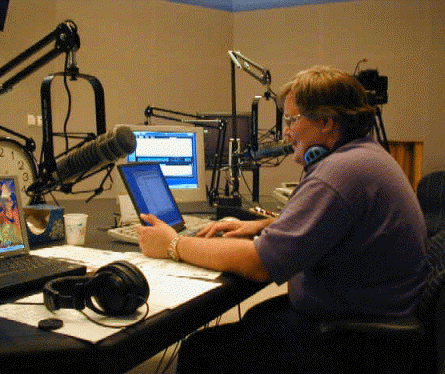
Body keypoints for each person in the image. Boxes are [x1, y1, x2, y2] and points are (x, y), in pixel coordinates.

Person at [137, 65, 430, 373]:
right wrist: (264, 224)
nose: (286, 131)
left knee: (202, 350)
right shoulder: (364, 156)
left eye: (292, 120)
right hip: (367, 317)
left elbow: (258, 264)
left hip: (357, 343)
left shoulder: (339, 174)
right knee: (255, 319)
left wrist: (173, 244)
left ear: (327, 122)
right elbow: (337, 222)